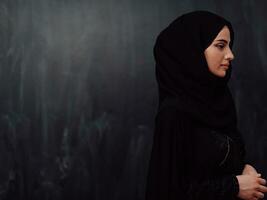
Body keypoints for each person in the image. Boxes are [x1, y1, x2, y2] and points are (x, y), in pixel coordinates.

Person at [145, 10, 267, 200]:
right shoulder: (174, 113)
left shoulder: (219, 103)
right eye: (220, 46)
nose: (231, 55)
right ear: (192, 51)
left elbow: (214, 163)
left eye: (229, 46)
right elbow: (166, 191)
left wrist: (243, 168)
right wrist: (234, 186)